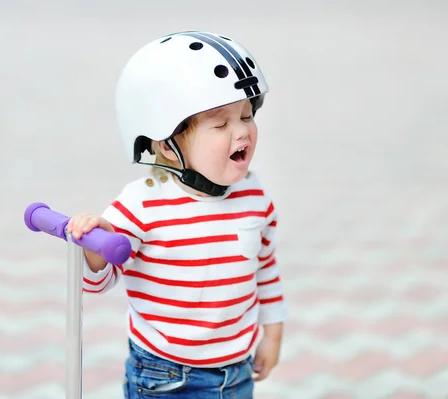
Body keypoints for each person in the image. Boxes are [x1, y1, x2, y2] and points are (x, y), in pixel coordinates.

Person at [67, 31, 287, 398]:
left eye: (247, 116)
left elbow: (266, 268)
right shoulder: (142, 205)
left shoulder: (254, 196)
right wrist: (95, 244)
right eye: (220, 124)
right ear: (167, 145)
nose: (242, 131)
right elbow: (99, 282)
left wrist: (273, 333)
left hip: (237, 370)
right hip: (165, 376)